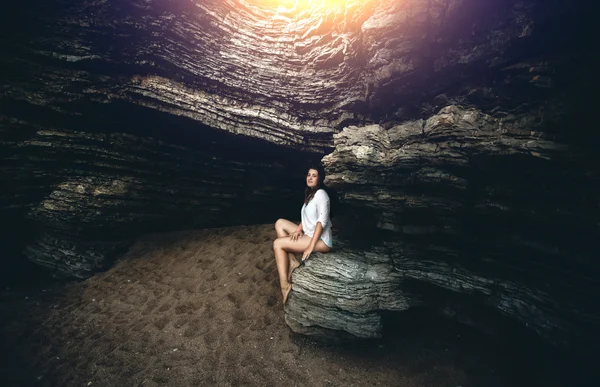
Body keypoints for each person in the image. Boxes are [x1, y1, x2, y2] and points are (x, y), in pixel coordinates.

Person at [273, 166, 333, 305]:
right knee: (280, 223)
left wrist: (310, 247)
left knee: (278, 243)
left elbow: (321, 221)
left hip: (321, 241)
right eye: (309, 175)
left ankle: (284, 286)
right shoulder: (310, 195)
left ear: (320, 179)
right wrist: (299, 229)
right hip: (308, 234)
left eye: (314, 175)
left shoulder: (321, 194)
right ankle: (293, 261)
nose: (310, 177)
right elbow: (307, 218)